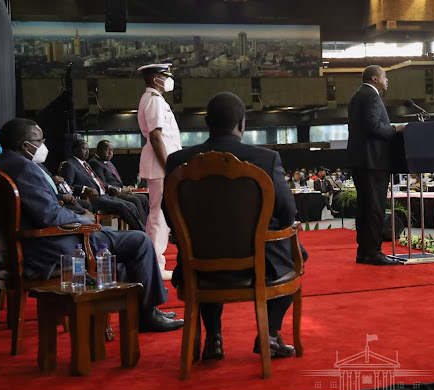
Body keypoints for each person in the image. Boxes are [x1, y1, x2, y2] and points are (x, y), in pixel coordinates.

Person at [0, 118, 183, 332]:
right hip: (53, 246)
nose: (43, 144)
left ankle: (142, 312)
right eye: (39, 140)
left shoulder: (2, 165)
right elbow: (49, 215)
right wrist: (84, 220)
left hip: (33, 244)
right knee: (140, 241)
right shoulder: (24, 170)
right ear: (25, 146)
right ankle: (147, 314)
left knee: (122, 261)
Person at [164, 92, 305, 360]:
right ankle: (271, 333)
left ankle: (214, 336)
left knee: (206, 252)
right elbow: (288, 214)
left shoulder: (177, 162)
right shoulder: (266, 159)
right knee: (300, 257)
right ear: (242, 124)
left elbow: (168, 214)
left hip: (197, 267)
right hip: (258, 265)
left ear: (207, 122)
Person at [346, 65, 404, 266]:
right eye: (384, 76)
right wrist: (395, 129)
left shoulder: (358, 96)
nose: (387, 80)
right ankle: (373, 252)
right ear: (374, 78)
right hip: (373, 161)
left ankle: (364, 251)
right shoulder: (371, 96)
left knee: (365, 207)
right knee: (374, 208)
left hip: (362, 160)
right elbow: (373, 126)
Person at [137, 64, 182, 281]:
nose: (169, 79)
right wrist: (169, 167)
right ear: (156, 79)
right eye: (166, 76)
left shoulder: (154, 98)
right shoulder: (154, 99)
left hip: (159, 163)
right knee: (159, 215)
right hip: (160, 164)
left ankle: (155, 261)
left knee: (159, 213)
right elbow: (156, 137)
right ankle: (156, 263)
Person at [60, 139, 146, 231]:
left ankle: (140, 231)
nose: (87, 152)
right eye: (84, 149)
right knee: (122, 206)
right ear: (75, 150)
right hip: (92, 198)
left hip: (104, 194)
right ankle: (142, 232)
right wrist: (84, 189)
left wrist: (109, 187)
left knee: (131, 205)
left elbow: (98, 181)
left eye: (88, 149)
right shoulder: (69, 164)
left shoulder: (86, 164)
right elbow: (67, 187)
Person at [89, 140, 150, 225]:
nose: (110, 153)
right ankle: (143, 228)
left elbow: (116, 180)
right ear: (98, 150)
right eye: (107, 150)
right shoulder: (95, 163)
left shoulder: (108, 162)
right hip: (112, 194)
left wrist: (124, 188)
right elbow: (102, 183)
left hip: (120, 190)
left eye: (112, 150)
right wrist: (120, 190)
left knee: (144, 198)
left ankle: (148, 225)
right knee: (136, 200)